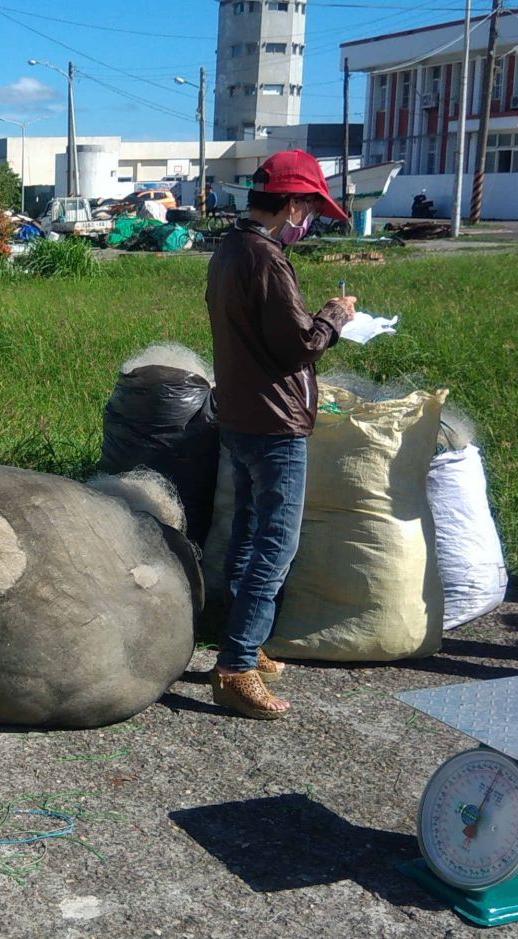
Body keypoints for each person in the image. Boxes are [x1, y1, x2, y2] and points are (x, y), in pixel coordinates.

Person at [204, 149, 356, 719]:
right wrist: (335, 314)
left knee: (247, 534)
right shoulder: (267, 259)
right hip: (274, 423)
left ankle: (243, 645)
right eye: (309, 207)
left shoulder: (229, 250)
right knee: (276, 544)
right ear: (291, 203)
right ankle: (237, 665)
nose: (309, 219)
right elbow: (301, 344)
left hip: (241, 415)